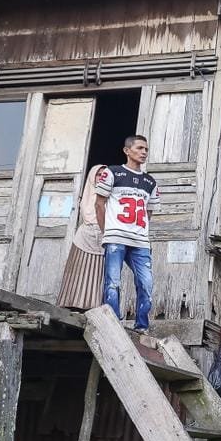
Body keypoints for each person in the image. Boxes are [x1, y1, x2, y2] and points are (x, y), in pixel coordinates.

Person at [94, 135, 160, 333]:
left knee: (146, 282)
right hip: (115, 236)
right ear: (127, 150)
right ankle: (114, 322)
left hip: (140, 240)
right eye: (139, 148)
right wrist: (107, 231)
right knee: (113, 281)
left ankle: (142, 325)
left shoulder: (150, 182)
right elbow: (99, 203)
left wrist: (141, 230)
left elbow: (149, 212)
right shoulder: (112, 173)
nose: (143, 152)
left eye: (146, 149)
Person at [57, 163, 106, 310]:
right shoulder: (87, 194)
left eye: (105, 175)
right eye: (99, 174)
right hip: (84, 238)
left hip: (103, 238)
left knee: (97, 274)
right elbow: (89, 215)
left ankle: (93, 306)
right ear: (92, 177)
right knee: (79, 272)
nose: (102, 177)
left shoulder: (111, 196)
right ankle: (71, 304)